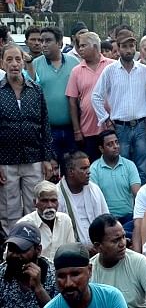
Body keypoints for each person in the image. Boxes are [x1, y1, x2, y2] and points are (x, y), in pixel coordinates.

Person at [0, 43, 53, 233]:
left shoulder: (35, 90)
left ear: (24, 62)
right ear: (2, 63)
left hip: (34, 157)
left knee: (34, 204)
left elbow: (45, 124)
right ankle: (12, 249)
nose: (14, 64)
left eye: (17, 59)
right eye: (9, 60)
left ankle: (35, 244)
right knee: (9, 208)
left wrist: (47, 158)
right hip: (6, 159)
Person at [91, 28, 146, 182]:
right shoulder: (110, 71)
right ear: (117, 48)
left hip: (140, 126)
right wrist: (105, 119)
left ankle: (141, 204)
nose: (129, 50)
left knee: (142, 167)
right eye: (124, 46)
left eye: (131, 46)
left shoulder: (145, 71)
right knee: (122, 166)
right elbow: (96, 96)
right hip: (119, 127)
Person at [33, 27, 81, 164]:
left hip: (73, 129)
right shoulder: (35, 65)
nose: (43, 44)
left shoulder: (74, 63)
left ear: (60, 43)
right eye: (41, 41)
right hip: (48, 131)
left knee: (72, 169)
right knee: (52, 171)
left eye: (48, 40)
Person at [67, 31, 111, 158]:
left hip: (111, 128)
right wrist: (76, 130)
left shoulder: (112, 66)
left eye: (83, 46)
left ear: (96, 47)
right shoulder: (76, 71)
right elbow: (72, 102)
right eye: (79, 46)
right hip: (88, 129)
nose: (80, 49)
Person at [56, 151, 110, 246]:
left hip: (98, 245)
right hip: (70, 248)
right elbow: (58, 232)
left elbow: (106, 220)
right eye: (84, 168)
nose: (89, 172)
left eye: (88, 167)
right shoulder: (56, 194)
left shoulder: (95, 189)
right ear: (71, 172)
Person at [90, 129, 141, 224]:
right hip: (106, 219)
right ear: (101, 149)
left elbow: (137, 193)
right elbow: (94, 199)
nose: (115, 146)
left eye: (117, 142)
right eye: (110, 144)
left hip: (129, 217)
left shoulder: (130, 165)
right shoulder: (94, 169)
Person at [18, 180, 75, 260]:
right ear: (35, 203)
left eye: (53, 201)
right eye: (44, 201)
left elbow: (71, 252)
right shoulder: (24, 225)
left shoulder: (65, 220)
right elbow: (11, 256)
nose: (50, 205)